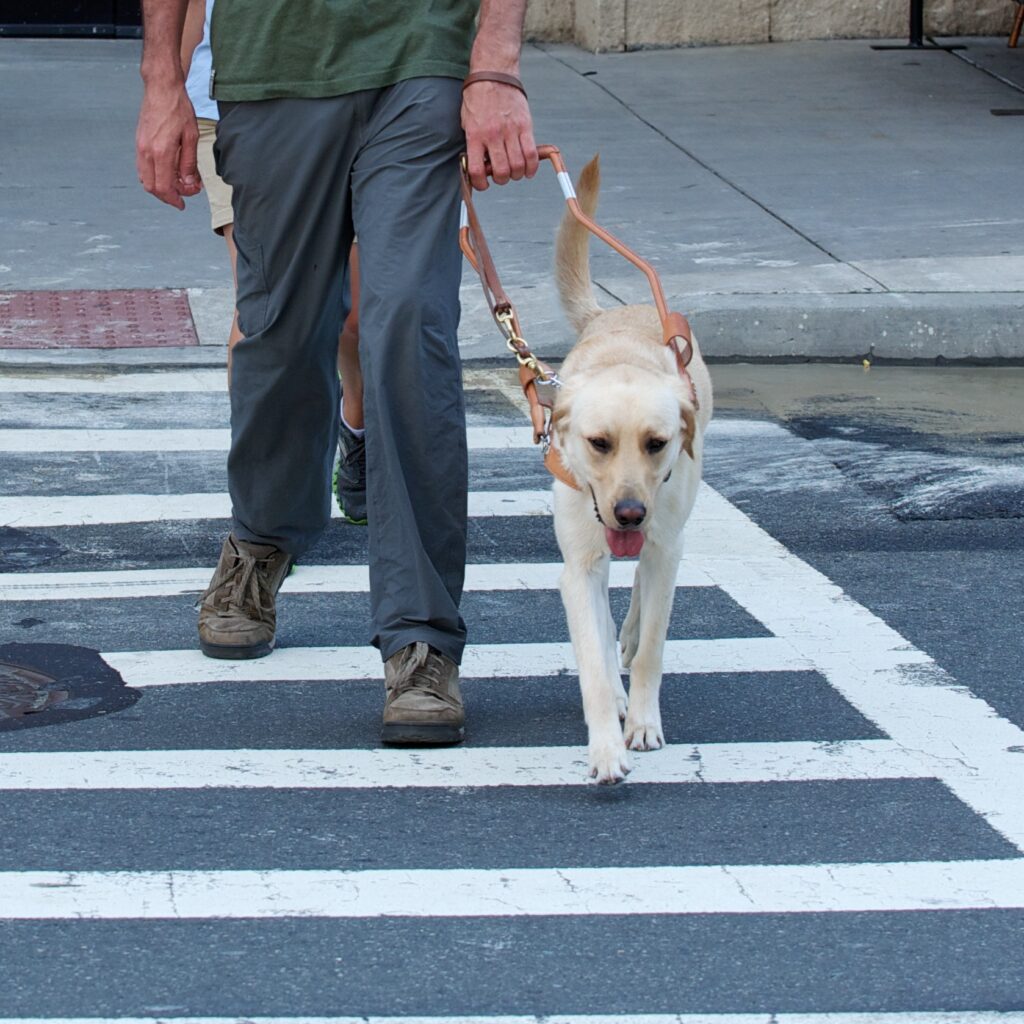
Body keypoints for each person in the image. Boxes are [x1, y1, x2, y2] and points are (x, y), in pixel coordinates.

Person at [136, 0, 537, 745]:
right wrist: (163, 83)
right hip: (271, 66)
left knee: (408, 327)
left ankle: (422, 638)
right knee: (281, 333)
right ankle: (264, 537)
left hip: (422, 56)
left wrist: (496, 67)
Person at [179, 0, 367, 523]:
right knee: (264, 311)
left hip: (348, 104)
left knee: (352, 315)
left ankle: (357, 429)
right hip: (229, 110)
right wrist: (167, 97)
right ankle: (267, 504)